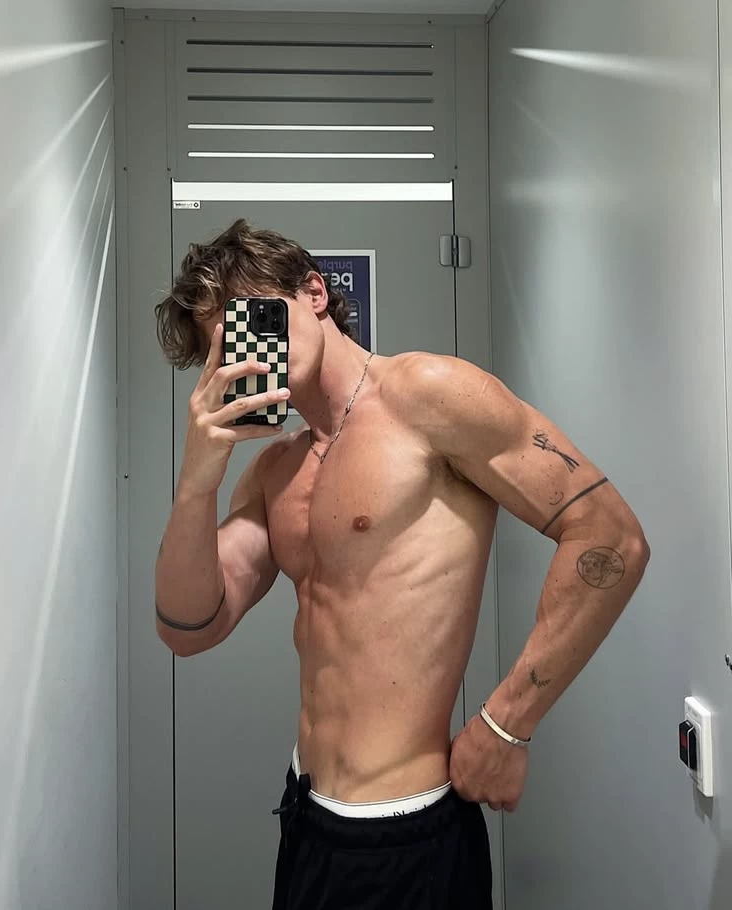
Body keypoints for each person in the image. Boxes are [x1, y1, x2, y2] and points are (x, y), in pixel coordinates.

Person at [154, 219, 650, 910]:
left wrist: (508, 722)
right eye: (224, 343)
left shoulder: (428, 394)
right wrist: (196, 479)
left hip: (409, 834)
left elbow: (611, 536)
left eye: (253, 317)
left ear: (314, 292)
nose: (246, 349)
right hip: (305, 816)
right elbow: (188, 628)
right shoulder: (274, 469)